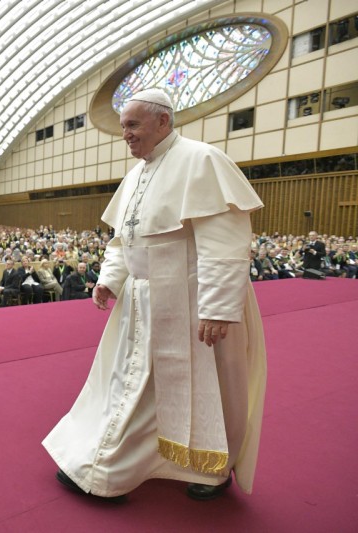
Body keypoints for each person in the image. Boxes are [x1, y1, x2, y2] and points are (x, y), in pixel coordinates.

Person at [43, 89, 267, 502]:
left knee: (203, 388)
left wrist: (218, 308)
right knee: (131, 384)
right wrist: (110, 279)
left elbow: (225, 243)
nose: (125, 134)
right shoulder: (135, 175)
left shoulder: (202, 160)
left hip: (193, 301)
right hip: (142, 301)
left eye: (133, 124)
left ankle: (208, 470)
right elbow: (124, 239)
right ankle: (114, 465)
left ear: (163, 121)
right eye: (123, 126)